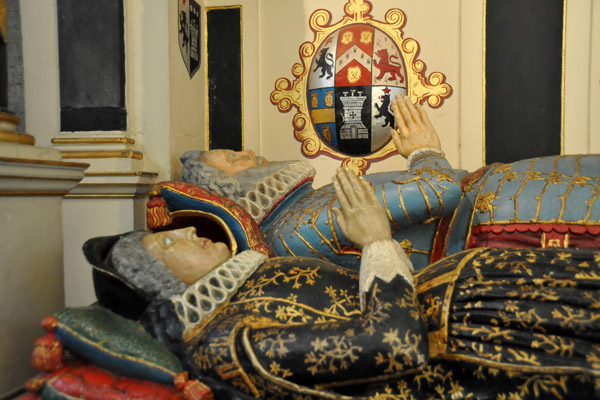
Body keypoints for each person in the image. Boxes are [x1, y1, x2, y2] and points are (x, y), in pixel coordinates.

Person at [84, 169, 599, 400]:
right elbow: (392, 343)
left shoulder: (246, 284)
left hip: (485, 291)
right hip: (487, 339)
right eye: (167, 246)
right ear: (164, 286)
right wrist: (376, 240)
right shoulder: (227, 344)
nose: (190, 231)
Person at [175, 95, 600, 271]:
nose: (251, 154)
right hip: (503, 220)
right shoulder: (293, 231)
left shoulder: (297, 215)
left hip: (500, 195)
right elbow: (439, 192)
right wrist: (421, 150)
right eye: (234, 158)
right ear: (227, 191)